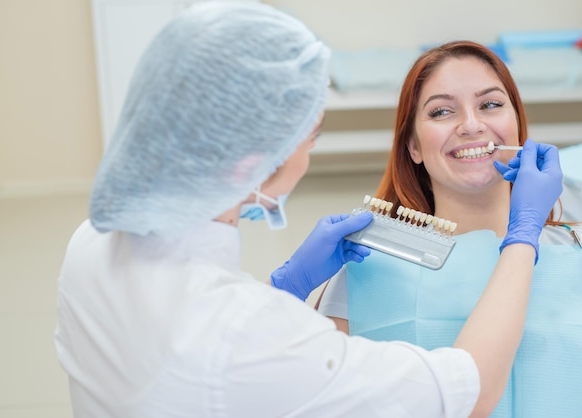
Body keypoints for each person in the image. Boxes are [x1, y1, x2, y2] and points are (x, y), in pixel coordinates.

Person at [54, 5, 562, 417]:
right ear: (259, 159)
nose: (472, 125)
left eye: (492, 104)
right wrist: (522, 237)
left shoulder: (90, 244)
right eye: (311, 134)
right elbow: (466, 391)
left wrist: (285, 290)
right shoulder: (258, 331)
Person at [317, 40, 581, 417]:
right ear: (413, 147)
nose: (471, 125)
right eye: (441, 111)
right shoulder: (365, 266)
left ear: (518, 127)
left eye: (490, 104)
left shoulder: (576, 250)